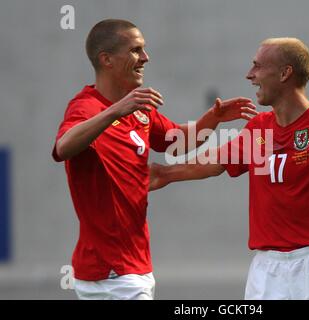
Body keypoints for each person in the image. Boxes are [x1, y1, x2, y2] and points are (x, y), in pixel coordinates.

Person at [149, 37, 309, 300]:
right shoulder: (259, 128)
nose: (249, 75)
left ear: (285, 73)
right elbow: (217, 161)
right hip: (267, 270)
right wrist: (165, 174)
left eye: (258, 66)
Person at [51, 19, 257, 300]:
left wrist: (214, 118)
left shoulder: (139, 111)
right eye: (136, 50)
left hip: (132, 266)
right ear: (106, 59)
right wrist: (114, 112)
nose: (145, 58)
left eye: (144, 50)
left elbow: (178, 142)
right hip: (112, 272)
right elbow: (63, 147)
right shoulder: (87, 107)